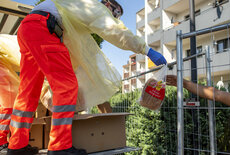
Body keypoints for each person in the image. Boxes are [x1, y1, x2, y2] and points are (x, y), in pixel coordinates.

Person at [7, 0, 167, 155]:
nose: (116, 17)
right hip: (46, 28)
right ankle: (59, 147)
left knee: (28, 91)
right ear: (108, 4)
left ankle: (17, 145)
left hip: (28, 27)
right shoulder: (96, 7)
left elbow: (71, 51)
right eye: (116, 13)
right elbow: (116, 31)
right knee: (66, 87)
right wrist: (146, 50)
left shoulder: (75, 9)